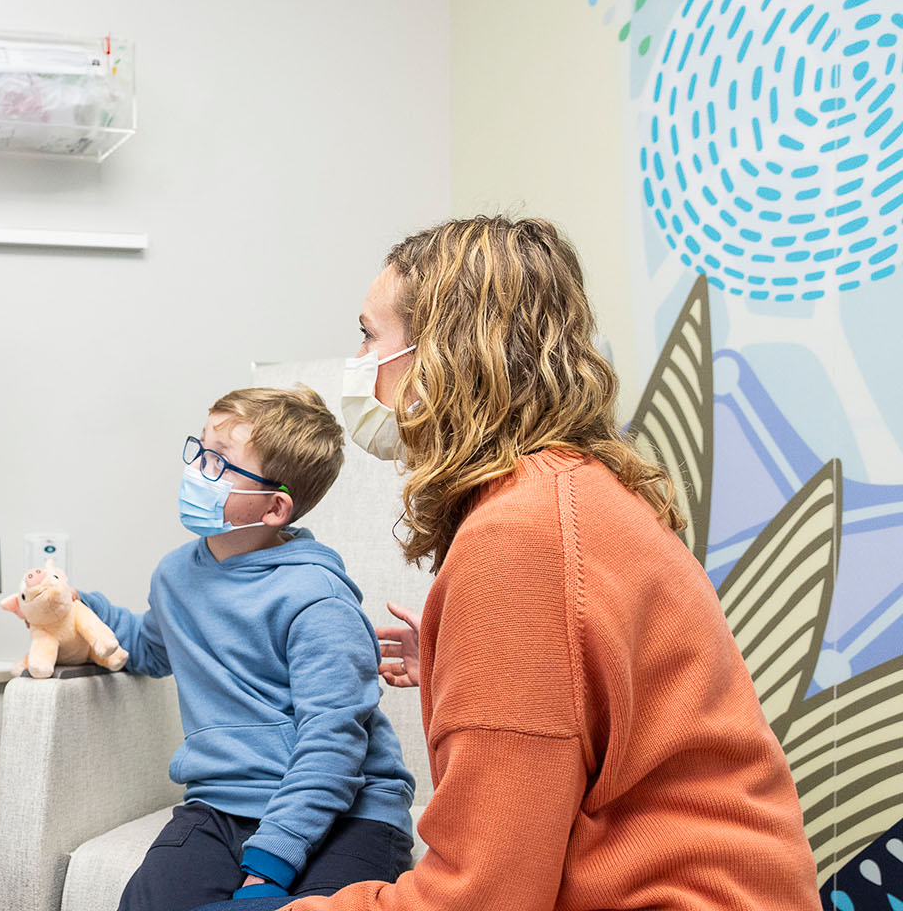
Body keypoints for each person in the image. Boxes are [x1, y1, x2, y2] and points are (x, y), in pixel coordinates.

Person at [228, 216, 819, 911]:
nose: (357, 362)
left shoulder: (521, 537)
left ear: (441, 356)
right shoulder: (574, 491)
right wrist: (472, 664)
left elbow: (481, 898)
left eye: (369, 335)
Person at [75, 386, 417, 911]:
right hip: (222, 804)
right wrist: (78, 610)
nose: (197, 472)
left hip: (350, 809)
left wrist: (271, 862)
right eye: (200, 450)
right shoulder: (175, 576)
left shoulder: (317, 598)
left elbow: (333, 746)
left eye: (219, 464)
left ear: (275, 506)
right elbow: (148, 647)